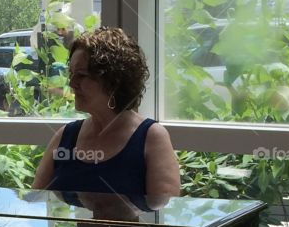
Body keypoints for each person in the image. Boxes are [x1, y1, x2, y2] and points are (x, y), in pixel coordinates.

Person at [32, 27, 181, 208]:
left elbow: (166, 214)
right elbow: (35, 201)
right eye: (71, 74)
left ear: (114, 81)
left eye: (81, 75)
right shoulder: (66, 136)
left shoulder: (151, 137)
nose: (71, 83)